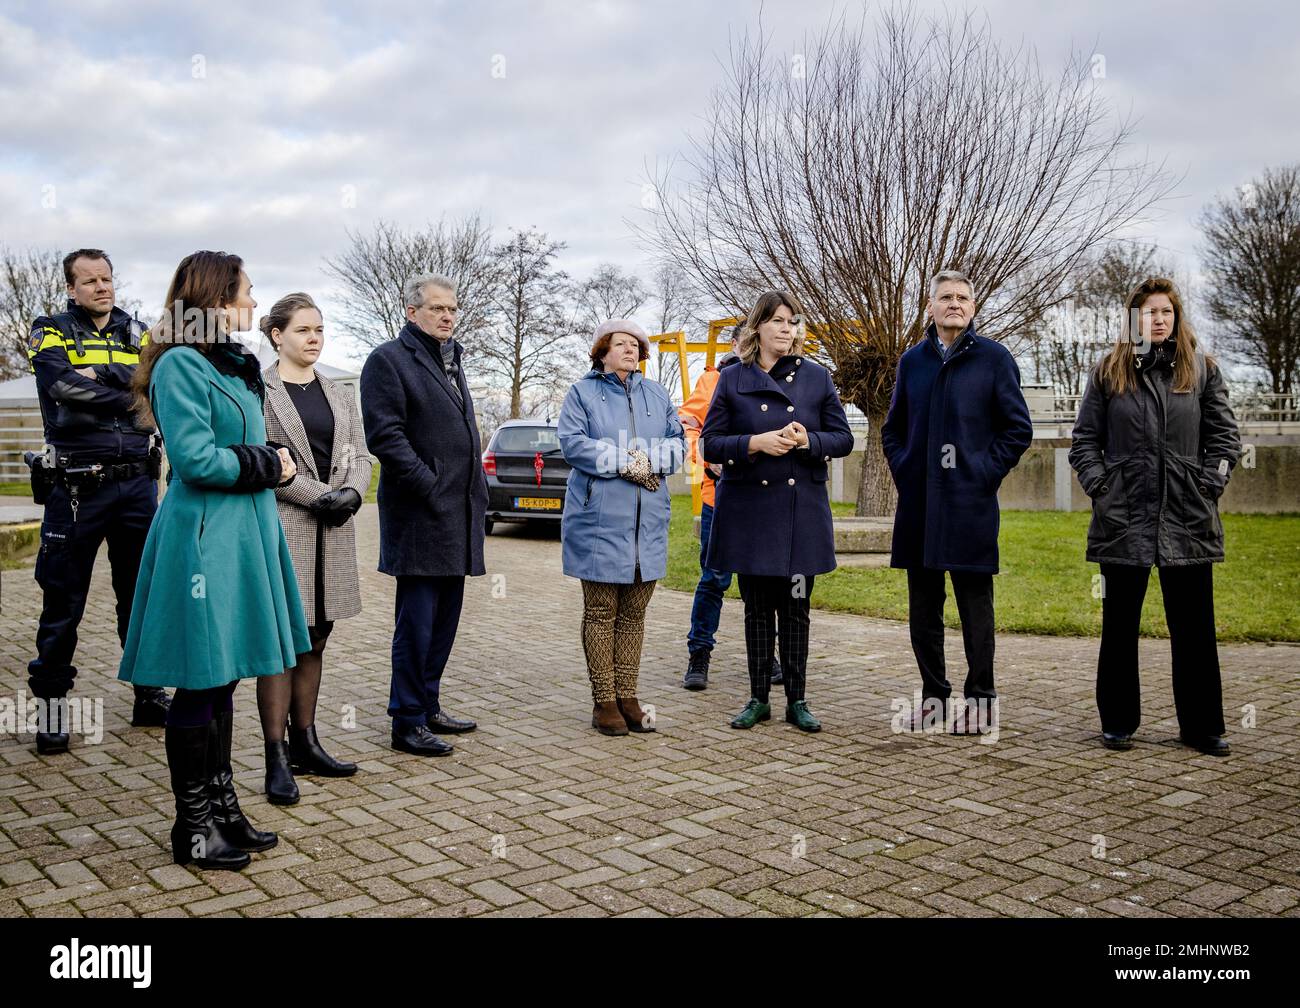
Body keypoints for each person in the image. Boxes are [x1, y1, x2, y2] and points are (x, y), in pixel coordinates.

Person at [119, 251, 310, 871]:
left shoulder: (231, 366)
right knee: (201, 680)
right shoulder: (179, 363)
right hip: (205, 537)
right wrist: (266, 463)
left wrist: (267, 455)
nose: (254, 304)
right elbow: (198, 458)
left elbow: (242, 441)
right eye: (247, 293)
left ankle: (225, 810)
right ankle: (192, 827)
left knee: (224, 676)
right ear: (216, 298)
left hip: (244, 531)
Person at [1069, 277, 1241, 756]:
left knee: (1194, 630)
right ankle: (1119, 722)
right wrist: (1102, 488)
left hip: (1187, 518)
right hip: (1123, 519)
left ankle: (1203, 726)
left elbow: (1226, 442)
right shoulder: (1109, 372)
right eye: (1148, 312)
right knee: (1120, 627)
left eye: (1166, 311)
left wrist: (1208, 487)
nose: (1158, 319)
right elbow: (1084, 443)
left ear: (1177, 317)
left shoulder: (1202, 371)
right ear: (1133, 318)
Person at [25, 248, 171, 753]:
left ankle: (148, 694)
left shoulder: (140, 333)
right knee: (63, 601)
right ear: (71, 288)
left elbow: (160, 389)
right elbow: (61, 387)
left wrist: (109, 383)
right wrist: (132, 394)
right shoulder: (50, 330)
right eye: (88, 281)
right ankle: (50, 709)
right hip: (76, 488)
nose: (101, 288)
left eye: (106, 279)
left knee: (141, 596)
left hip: (135, 484)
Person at [881, 270, 1032, 735]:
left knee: (975, 609)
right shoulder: (913, 362)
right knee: (924, 610)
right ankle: (933, 698)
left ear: (973, 307)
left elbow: (1017, 429)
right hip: (920, 507)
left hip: (970, 506)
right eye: (945, 297)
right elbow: (893, 429)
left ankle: (981, 701)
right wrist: (906, 469)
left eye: (963, 298)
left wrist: (983, 473)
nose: (955, 304)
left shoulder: (993, 358)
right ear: (930, 307)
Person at [701, 290, 853, 732]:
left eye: (792, 321)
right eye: (778, 321)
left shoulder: (816, 378)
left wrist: (807, 440)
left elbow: (842, 438)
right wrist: (755, 443)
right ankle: (757, 699)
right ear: (758, 327)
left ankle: (798, 700)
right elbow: (710, 443)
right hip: (749, 510)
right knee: (755, 608)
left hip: (799, 511)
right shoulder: (732, 379)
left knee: (796, 609)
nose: (787, 329)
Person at [361, 274, 486, 757]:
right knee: (416, 623)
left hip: (459, 512)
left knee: (445, 619)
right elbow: (386, 437)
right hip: (420, 514)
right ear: (411, 312)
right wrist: (429, 484)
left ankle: (429, 704)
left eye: (452, 309)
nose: (447, 316)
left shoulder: (452, 361)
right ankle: (406, 719)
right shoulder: (388, 360)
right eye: (437, 309)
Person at [258, 293, 372, 803]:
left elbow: (360, 452)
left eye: (319, 330)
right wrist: (322, 496)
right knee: (283, 641)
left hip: (336, 528)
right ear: (277, 335)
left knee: (317, 635)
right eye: (304, 330)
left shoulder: (339, 392)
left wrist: (352, 491)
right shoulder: (258, 389)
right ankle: (275, 756)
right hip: (290, 525)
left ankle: (307, 742)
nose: (313, 339)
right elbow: (267, 460)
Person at [559, 320, 685, 735]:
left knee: (634, 614)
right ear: (602, 351)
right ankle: (604, 700)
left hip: (647, 522)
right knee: (600, 611)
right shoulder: (582, 393)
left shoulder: (657, 393)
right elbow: (573, 443)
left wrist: (648, 462)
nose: (631, 350)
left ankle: (628, 695)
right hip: (599, 522)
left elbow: (678, 441)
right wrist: (623, 461)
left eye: (636, 345)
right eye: (622, 344)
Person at [678, 325, 783, 691]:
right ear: (735, 344)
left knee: (762, 583)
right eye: (744, 341)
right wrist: (708, 456)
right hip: (718, 498)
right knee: (714, 578)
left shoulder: (779, 380)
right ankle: (699, 654)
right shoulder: (713, 381)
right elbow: (689, 428)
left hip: (763, 500)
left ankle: (765, 656)